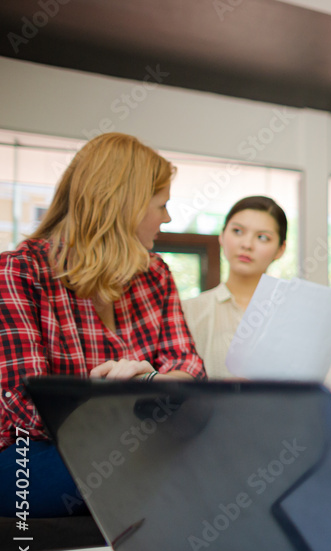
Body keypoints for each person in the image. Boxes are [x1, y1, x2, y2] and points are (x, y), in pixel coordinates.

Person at [0, 132, 206, 517]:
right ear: (123, 207)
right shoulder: (19, 272)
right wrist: (138, 401)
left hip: (138, 443)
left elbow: (191, 370)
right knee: (159, 476)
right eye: (161, 205)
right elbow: (28, 409)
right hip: (34, 452)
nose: (168, 218)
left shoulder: (155, 275)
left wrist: (158, 383)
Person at [182, 196, 287, 378]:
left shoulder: (293, 313)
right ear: (222, 236)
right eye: (237, 231)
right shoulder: (187, 311)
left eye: (263, 237)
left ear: (280, 249)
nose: (246, 245)